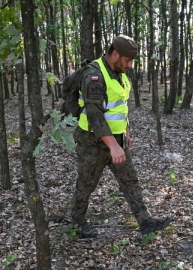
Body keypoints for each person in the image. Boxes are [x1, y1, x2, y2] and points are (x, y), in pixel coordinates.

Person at [71, 35, 173, 238]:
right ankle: (78, 223)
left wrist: (125, 133)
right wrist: (113, 146)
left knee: (130, 180)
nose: (130, 65)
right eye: (127, 60)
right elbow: (94, 114)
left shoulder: (118, 73)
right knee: (86, 183)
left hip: (117, 140)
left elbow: (118, 106)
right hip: (92, 142)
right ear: (115, 54)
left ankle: (146, 222)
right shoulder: (94, 75)